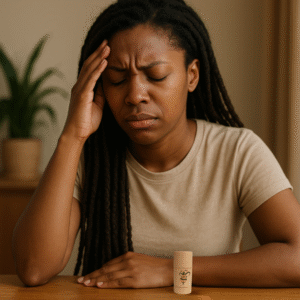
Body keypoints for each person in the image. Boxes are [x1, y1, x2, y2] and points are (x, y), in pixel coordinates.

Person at [12, 0, 300, 289]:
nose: (135, 95)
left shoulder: (238, 152)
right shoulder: (89, 156)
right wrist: (72, 134)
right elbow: (34, 268)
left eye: (156, 75)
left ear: (192, 75)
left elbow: (296, 256)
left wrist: (172, 270)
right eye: (117, 78)